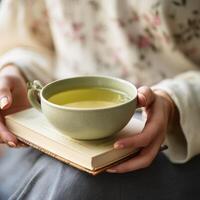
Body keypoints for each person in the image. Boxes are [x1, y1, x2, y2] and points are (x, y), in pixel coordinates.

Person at [0, 0, 200, 199]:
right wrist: (16, 70)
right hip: (53, 125)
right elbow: (30, 40)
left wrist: (173, 101)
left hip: (179, 134)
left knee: (72, 188)